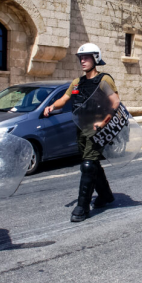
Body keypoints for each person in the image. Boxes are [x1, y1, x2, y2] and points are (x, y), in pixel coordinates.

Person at [43, 44, 118, 221]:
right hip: (81, 128)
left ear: (96, 58)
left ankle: (82, 207)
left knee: (88, 165)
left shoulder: (104, 80)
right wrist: (52, 106)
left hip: (97, 129)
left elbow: (115, 102)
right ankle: (106, 195)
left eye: (87, 57)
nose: (82, 61)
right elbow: (65, 98)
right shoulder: (77, 82)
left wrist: (103, 122)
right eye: (81, 58)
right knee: (91, 163)